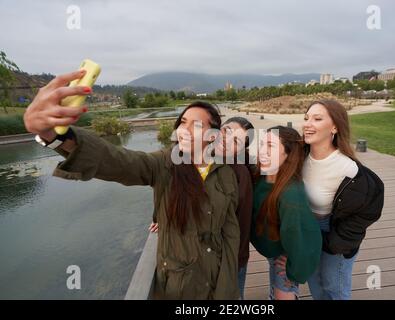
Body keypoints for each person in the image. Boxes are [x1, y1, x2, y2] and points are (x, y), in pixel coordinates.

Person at [23, 70, 240, 299]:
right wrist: (54, 135)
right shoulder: (164, 165)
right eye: (182, 122)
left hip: (216, 283)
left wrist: (228, 290)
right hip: (178, 287)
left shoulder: (225, 173)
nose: (184, 130)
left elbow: (230, 234)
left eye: (196, 126)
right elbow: (118, 161)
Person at [151, 116, 255, 299]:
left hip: (228, 259)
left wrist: (234, 264)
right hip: (198, 257)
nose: (226, 140)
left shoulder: (238, 174)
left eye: (236, 140)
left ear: (240, 149)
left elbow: (241, 224)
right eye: (226, 132)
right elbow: (173, 191)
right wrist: (162, 218)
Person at [302, 99, 384, 300]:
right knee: (315, 285)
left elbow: (370, 207)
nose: (307, 123)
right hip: (306, 228)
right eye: (306, 118)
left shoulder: (348, 168)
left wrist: (337, 241)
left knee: (334, 288)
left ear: (335, 127)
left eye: (317, 118)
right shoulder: (298, 155)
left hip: (335, 230)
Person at [250, 126, 322, 300]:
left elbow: (301, 236)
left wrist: (294, 269)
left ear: (287, 154)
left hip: (286, 253)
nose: (262, 151)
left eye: (270, 146)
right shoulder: (260, 177)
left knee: (283, 295)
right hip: (271, 248)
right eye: (261, 144)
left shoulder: (291, 194)